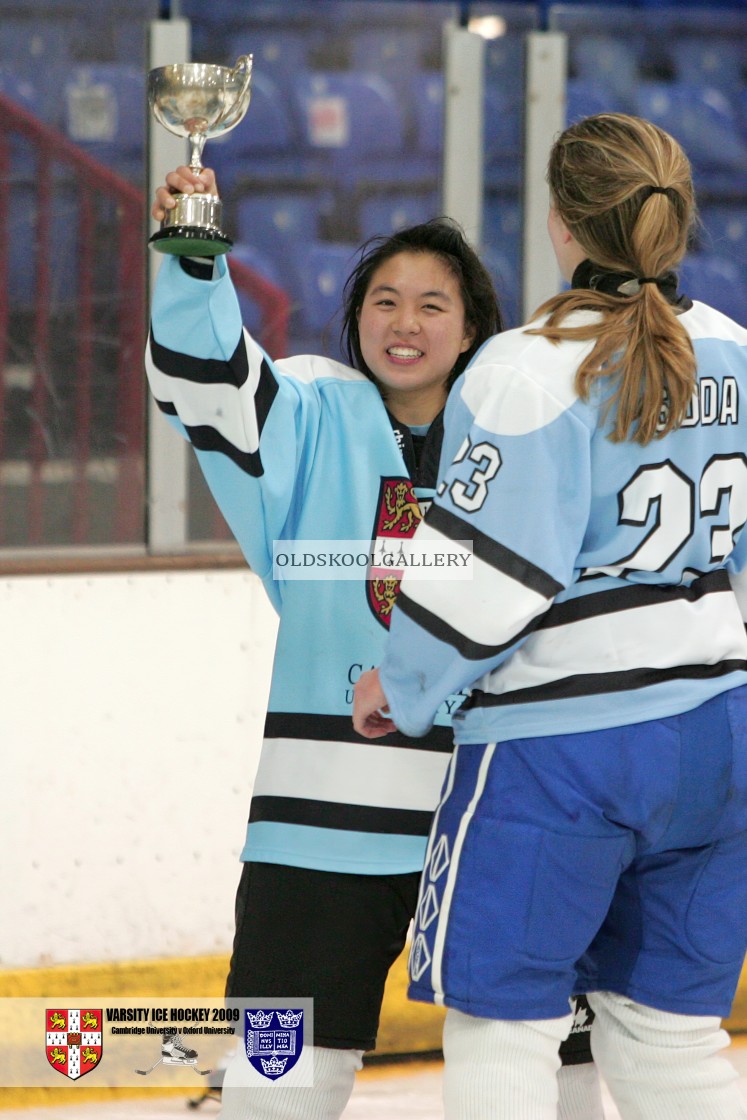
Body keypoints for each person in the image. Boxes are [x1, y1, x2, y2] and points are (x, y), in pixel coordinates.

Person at [146, 165, 602, 1120]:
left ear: (472, 328)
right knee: (282, 1080)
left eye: (433, 304)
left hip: (502, 808)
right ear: (355, 319)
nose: (405, 321)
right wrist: (194, 258)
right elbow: (212, 386)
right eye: (384, 300)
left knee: (538, 1064)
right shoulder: (311, 415)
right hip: (323, 816)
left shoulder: (528, 429)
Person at [353, 111, 747, 1120]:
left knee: (504, 1021)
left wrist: (401, 685)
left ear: (562, 221)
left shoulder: (526, 366)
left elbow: (487, 580)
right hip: (718, 738)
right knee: (669, 1033)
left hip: (561, 751)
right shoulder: (735, 352)